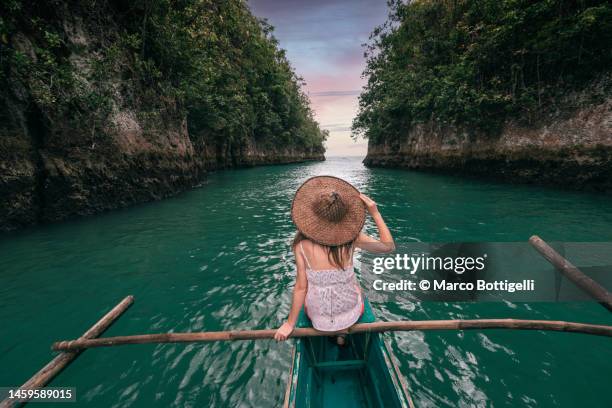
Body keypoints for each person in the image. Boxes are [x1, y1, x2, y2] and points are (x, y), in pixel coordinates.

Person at [274, 175, 395, 342]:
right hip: (350, 315)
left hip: (319, 319)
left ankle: (335, 332)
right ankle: (342, 333)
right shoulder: (352, 238)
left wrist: (289, 324)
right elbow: (388, 247)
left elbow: (301, 287)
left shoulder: (301, 245)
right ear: (343, 216)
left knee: (314, 291)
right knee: (357, 289)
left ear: (312, 215)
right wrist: (375, 212)